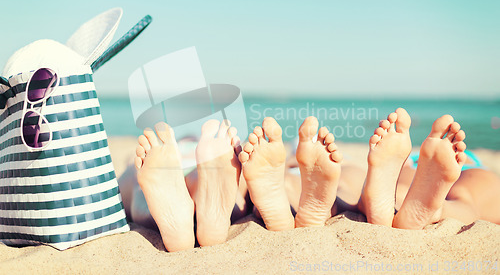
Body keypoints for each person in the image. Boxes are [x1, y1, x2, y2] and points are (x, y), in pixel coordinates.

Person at [120, 108, 500, 252]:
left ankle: (184, 211)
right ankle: (389, 202)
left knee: (146, 186)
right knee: (476, 186)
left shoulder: (187, 148)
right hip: (393, 174)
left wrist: (130, 176)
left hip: (219, 177)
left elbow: (123, 178)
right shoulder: (430, 160)